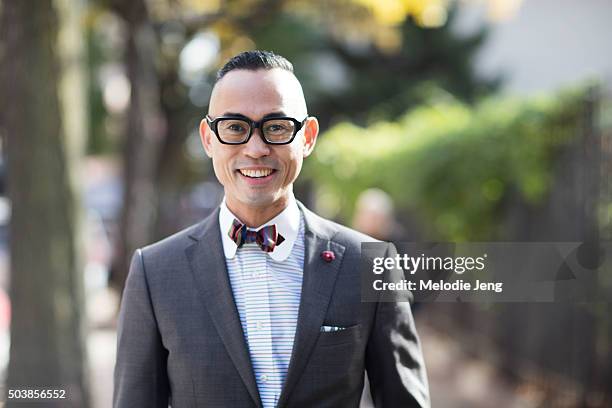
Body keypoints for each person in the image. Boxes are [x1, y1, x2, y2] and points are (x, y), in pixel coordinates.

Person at [113, 50, 429, 408]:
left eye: (277, 127)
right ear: (208, 138)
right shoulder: (154, 273)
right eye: (235, 128)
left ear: (308, 136)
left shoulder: (370, 263)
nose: (256, 148)